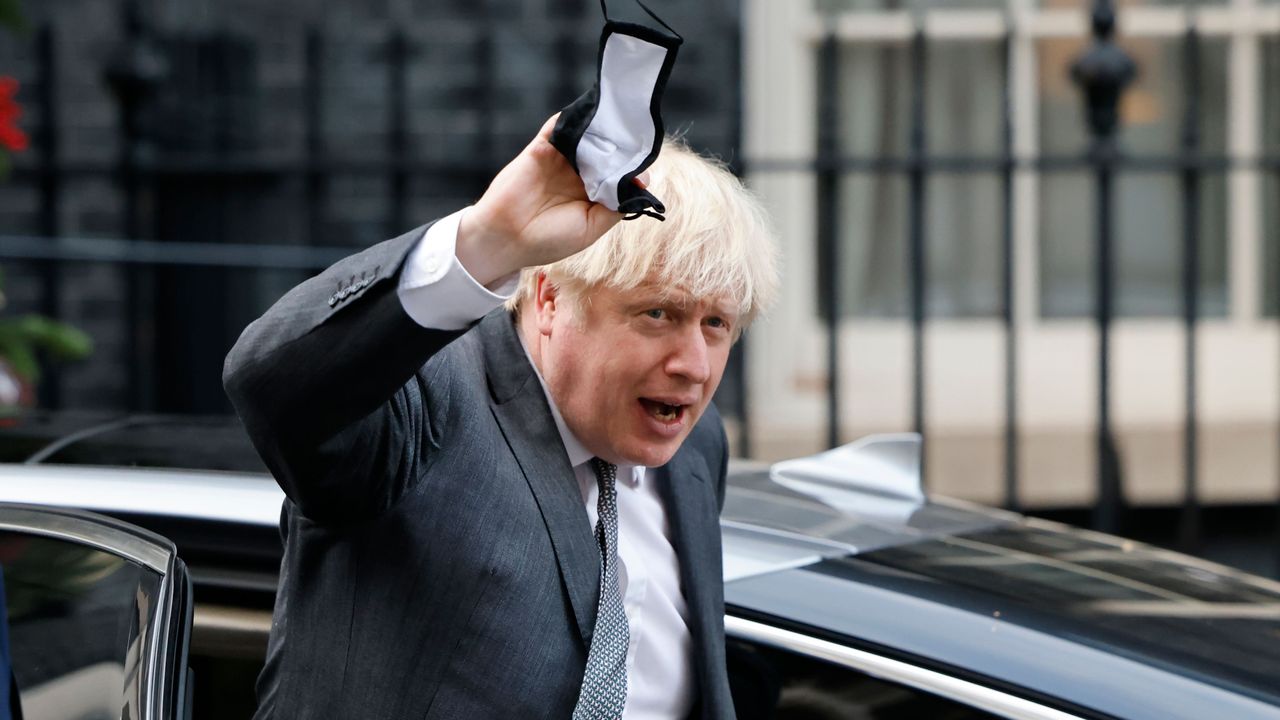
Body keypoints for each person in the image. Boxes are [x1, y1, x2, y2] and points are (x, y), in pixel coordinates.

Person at [223, 114, 779, 719]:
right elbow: (271, 382)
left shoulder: (697, 450)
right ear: (549, 299)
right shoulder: (426, 400)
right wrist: (487, 240)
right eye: (657, 314)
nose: (694, 366)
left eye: (716, 324)